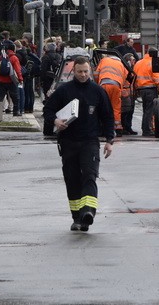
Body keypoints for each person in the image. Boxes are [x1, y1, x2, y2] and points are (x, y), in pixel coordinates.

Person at [42, 56, 116, 232]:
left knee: (90, 176)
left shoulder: (98, 91)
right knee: (72, 179)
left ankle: (88, 211)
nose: (83, 75)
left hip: (90, 141)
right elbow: (48, 109)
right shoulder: (64, 91)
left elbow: (108, 117)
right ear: (73, 71)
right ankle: (77, 218)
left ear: (90, 70)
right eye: (79, 72)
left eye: (85, 71)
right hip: (68, 141)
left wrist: (109, 140)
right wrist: (56, 121)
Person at [94, 53, 127, 135]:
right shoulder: (121, 64)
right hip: (116, 86)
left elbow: (96, 74)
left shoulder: (104, 60)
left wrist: (97, 84)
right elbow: (124, 77)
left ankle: (102, 127)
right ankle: (118, 128)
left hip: (104, 85)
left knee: (103, 106)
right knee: (116, 107)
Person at [133, 47, 159, 136]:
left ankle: (145, 128)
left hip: (141, 89)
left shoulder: (138, 63)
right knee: (149, 111)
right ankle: (147, 130)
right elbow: (157, 78)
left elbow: (134, 76)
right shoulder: (153, 63)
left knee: (145, 110)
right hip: (151, 89)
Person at [0, 42, 23, 117]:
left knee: (0, 97)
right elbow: (18, 69)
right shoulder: (14, 58)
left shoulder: (1, 57)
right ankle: (16, 112)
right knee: (15, 97)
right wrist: (20, 79)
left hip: (1, 80)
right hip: (11, 80)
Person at [120, 53, 137, 135]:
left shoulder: (131, 69)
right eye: (132, 60)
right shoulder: (125, 69)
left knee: (130, 111)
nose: (134, 61)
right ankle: (124, 127)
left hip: (130, 93)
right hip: (125, 93)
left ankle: (128, 127)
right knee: (125, 111)